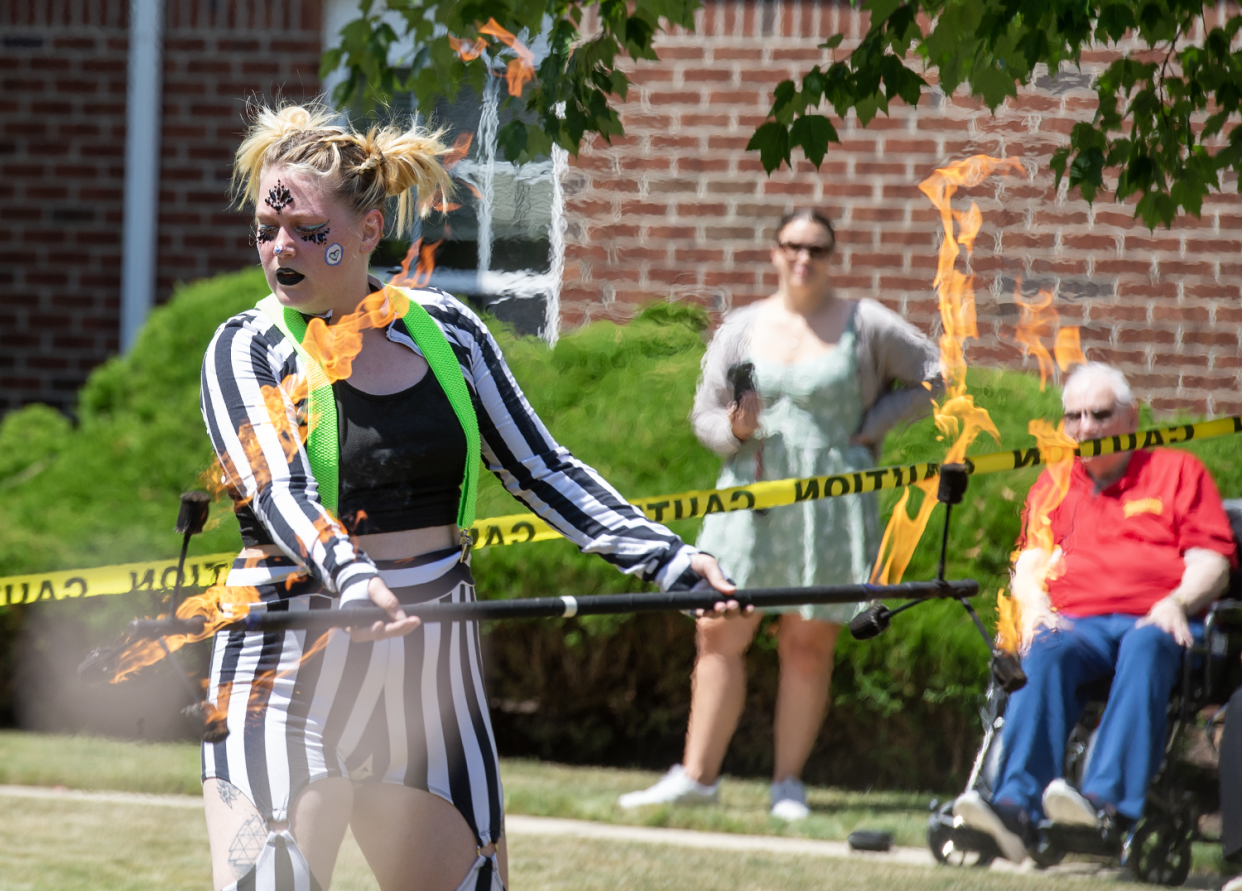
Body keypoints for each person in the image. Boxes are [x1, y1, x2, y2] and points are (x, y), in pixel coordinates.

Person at [199, 103, 732, 891]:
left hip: (429, 664)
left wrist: (670, 561)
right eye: (266, 231)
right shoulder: (245, 347)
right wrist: (351, 575)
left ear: (370, 227)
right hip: (286, 660)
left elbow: (542, 468)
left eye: (306, 230)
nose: (279, 248)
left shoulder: (449, 329)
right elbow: (279, 488)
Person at [619, 209, 941, 819]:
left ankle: (787, 784)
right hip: (750, 495)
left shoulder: (863, 322)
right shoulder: (743, 326)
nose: (804, 258)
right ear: (775, 252)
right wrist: (735, 431)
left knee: (807, 641)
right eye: (793, 246)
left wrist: (872, 427)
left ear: (831, 256)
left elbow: (937, 377)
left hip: (832, 502)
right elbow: (705, 414)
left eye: (816, 248)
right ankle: (697, 776)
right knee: (717, 628)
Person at [954, 362, 1237, 863]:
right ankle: (1015, 809)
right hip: (1077, 627)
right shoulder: (1056, 483)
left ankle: (1104, 804)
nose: (1086, 427)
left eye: (1099, 414)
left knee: (1146, 642)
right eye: (1074, 416)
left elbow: (1212, 561)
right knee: (1043, 645)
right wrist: (1035, 608)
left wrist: (1174, 602)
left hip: (1155, 622)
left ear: (1130, 419)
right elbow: (1031, 563)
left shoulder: (1176, 472)